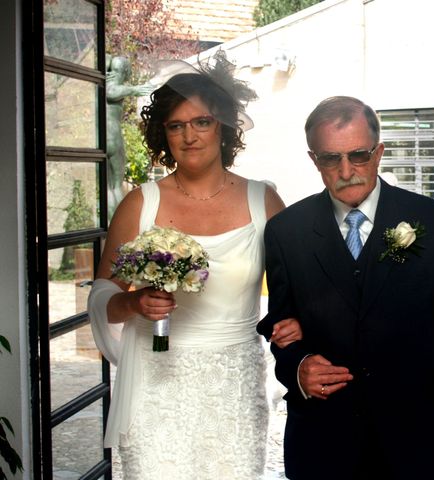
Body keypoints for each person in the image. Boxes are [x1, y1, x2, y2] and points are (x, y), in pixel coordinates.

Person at [257, 96, 434, 480]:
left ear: (379, 152)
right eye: (331, 158)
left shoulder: (433, 221)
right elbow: (282, 328)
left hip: (416, 438)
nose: (347, 170)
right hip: (322, 439)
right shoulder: (287, 230)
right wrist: (298, 366)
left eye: (359, 155)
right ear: (314, 160)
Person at [88, 50, 301, 479]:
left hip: (234, 386)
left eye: (201, 122)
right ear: (162, 134)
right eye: (176, 126)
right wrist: (134, 305)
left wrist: (295, 323)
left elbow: (299, 289)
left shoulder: (265, 202)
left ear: (222, 127)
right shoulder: (140, 205)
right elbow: (103, 295)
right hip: (156, 385)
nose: (190, 135)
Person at [106, 55, 155, 219]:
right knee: (115, 186)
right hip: (111, 137)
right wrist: (134, 89)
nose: (111, 74)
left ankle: (112, 224)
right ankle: (117, 225)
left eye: (115, 71)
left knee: (112, 186)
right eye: (110, 70)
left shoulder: (105, 84)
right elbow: (111, 92)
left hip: (107, 137)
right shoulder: (111, 86)